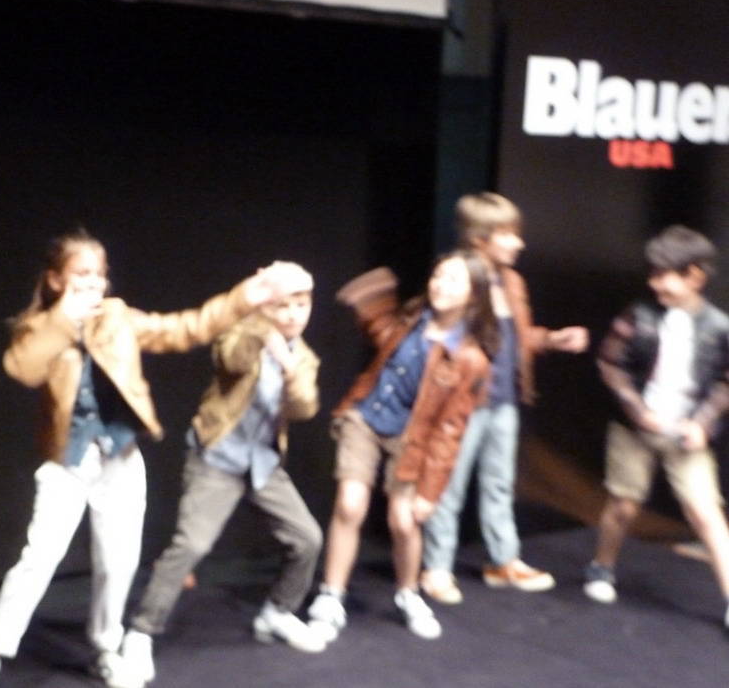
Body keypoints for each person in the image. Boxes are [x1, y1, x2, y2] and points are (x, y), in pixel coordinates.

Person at [0, 229, 312, 688]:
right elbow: (22, 368)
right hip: (68, 461)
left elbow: (186, 328)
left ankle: (105, 648)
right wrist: (64, 319)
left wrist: (244, 297)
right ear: (56, 280)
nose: (93, 283)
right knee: (40, 558)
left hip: (121, 456)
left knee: (118, 561)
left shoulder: (117, 317)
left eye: (99, 274)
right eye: (81, 274)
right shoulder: (42, 326)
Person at [120, 270, 322, 687]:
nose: (292, 314)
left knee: (307, 539)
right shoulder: (243, 331)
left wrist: (288, 368)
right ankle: (141, 631)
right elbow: (231, 360)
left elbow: (304, 408)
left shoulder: (303, 357)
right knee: (192, 545)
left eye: (301, 305)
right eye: (283, 305)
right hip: (218, 459)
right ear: (267, 306)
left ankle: (278, 612)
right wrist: (259, 335)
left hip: (262, 464)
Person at [307, 250, 496, 642]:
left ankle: (408, 593)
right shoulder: (411, 321)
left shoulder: (470, 358)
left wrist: (430, 491)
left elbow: (449, 431)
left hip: (413, 439)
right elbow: (384, 339)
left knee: (403, 521)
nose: (441, 285)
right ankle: (331, 594)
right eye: (438, 275)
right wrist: (370, 300)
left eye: (454, 280)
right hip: (366, 418)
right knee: (349, 505)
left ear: (474, 295)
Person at [420, 193, 588, 605]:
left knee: (498, 483)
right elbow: (436, 339)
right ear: (480, 238)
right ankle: (436, 567)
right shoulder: (458, 277)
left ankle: (503, 560)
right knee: (447, 485)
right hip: (463, 404)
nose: (519, 243)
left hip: (505, 401)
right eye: (508, 235)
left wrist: (552, 339)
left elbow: (516, 337)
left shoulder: (511, 282)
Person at [584, 225, 729, 628]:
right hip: (636, 428)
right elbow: (610, 362)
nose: (654, 283)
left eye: (664, 275)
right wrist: (637, 410)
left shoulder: (719, 326)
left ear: (694, 276)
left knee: (706, 513)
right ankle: (602, 566)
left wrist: (702, 423)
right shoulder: (639, 315)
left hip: (685, 431)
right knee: (624, 505)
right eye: (653, 273)